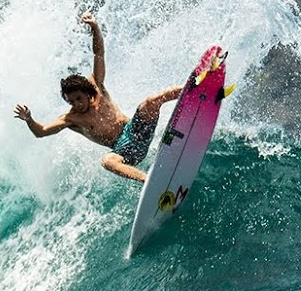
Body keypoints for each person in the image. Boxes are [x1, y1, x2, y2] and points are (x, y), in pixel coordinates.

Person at [13, 12, 181, 183]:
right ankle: (149, 181)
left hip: (136, 130)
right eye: (71, 101)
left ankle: (191, 88)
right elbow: (41, 132)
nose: (76, 104)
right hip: (124, 150)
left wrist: (94, 27)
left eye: (78, 98)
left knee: (150, 102)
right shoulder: (71, 119)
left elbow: (98, 52)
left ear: (86, 93)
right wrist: (29, 119)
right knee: (107, 161)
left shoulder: (97, 86)